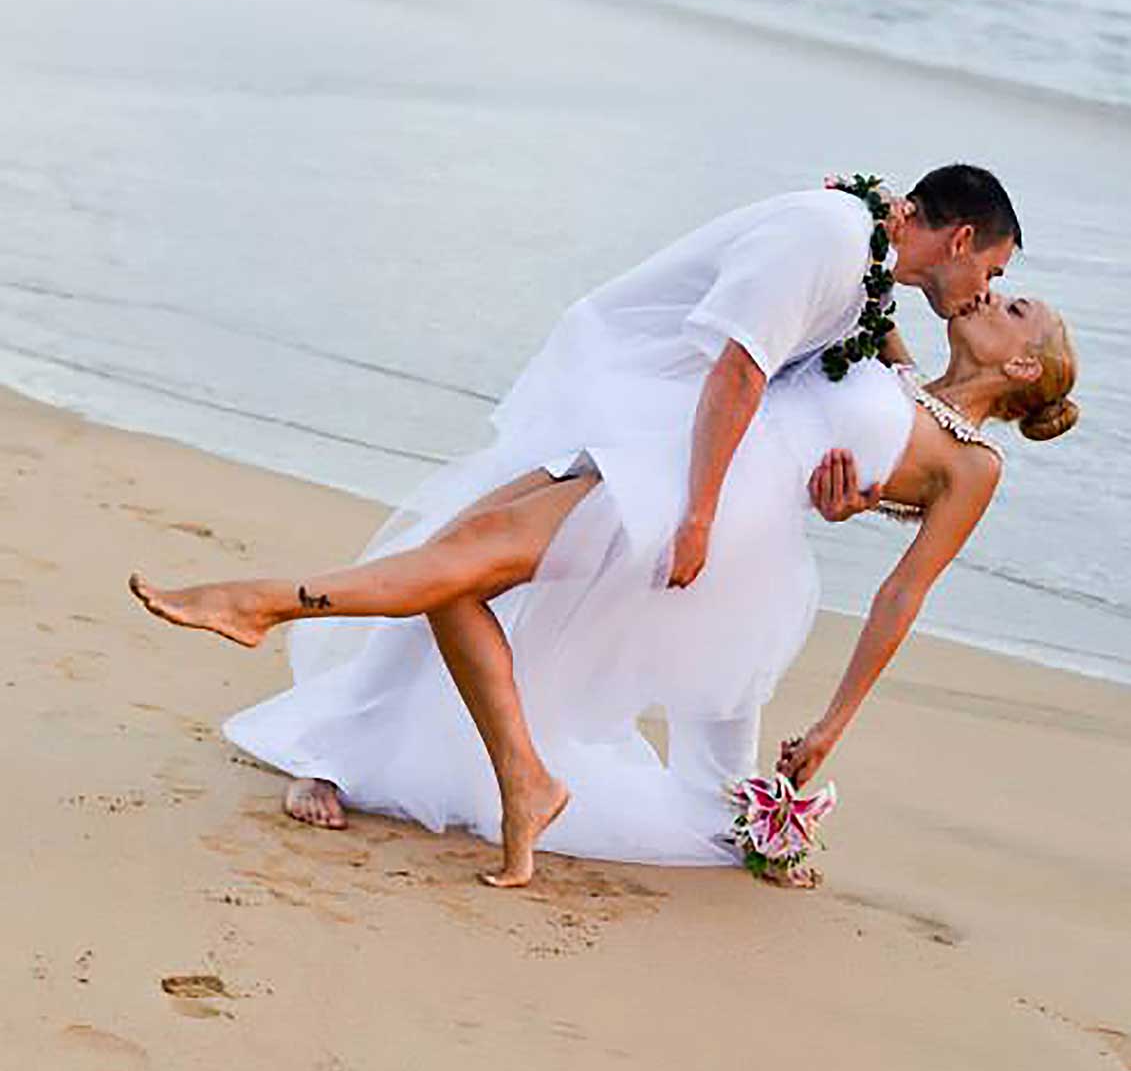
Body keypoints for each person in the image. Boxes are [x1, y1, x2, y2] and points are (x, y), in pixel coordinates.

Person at [130, 166, 1043, 886]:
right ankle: (510, 773)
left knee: (462, 564)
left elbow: (816, 419)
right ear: (961, 238)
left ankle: (266, 607)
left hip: (686, 476)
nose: (987, 289)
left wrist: (788, 507)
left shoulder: (875, 292)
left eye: (1006, 291)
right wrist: (699, 510)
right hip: (654, 437)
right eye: (994, 272)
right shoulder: (841, 246)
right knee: (456, 561)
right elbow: (741, 369)